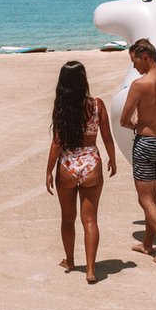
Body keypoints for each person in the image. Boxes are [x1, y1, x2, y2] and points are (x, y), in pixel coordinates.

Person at [45, 60, 116, 283]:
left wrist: (48, 171)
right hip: (91, 163)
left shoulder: (62, 107)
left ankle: (70, 260)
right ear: (84, 80)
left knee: (68, 219)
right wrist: (113, 159)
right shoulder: (97, 105)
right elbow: (106, 137)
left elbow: (57, 143)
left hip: (67, 164)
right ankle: (91, 270)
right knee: (90, 220)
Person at [120, 37, 156, 264]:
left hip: (147, 144)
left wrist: (135, 124)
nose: (134, 67)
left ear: (145, 56)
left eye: (135, 61)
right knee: (152, 196)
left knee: (144, 199)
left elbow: (124, 119)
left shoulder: (139, 85)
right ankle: (147, 243)